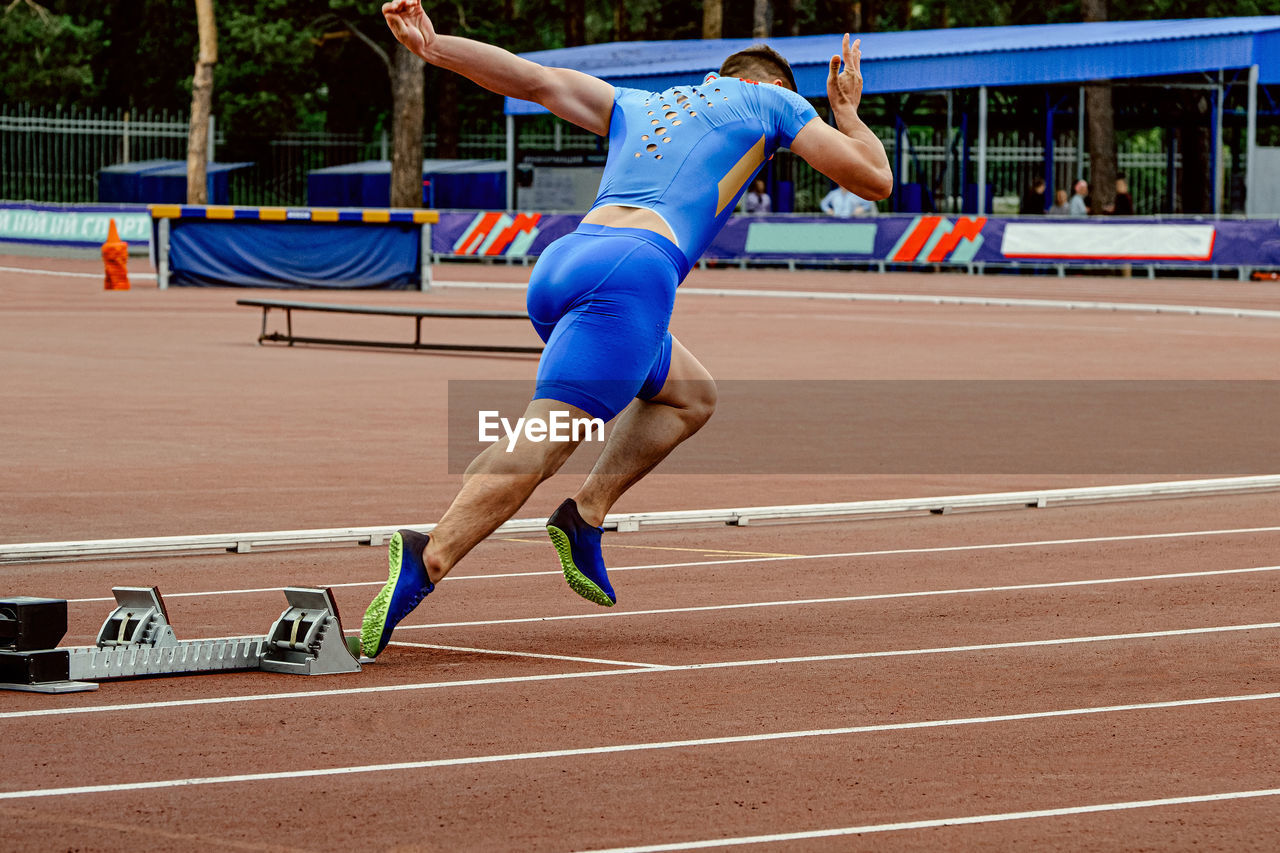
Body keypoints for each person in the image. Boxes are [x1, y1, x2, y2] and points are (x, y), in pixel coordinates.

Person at [361, 0, 892, 658]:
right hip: (633, 276)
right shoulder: (773, 104)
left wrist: (435, 46)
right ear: (770, 85)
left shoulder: (637, 104)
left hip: (563, 266)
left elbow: (529, 78)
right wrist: (845, 112)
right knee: (550, 437)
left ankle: (582, 516)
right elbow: (874, 178)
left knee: (689, 393)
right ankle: (427, 557)